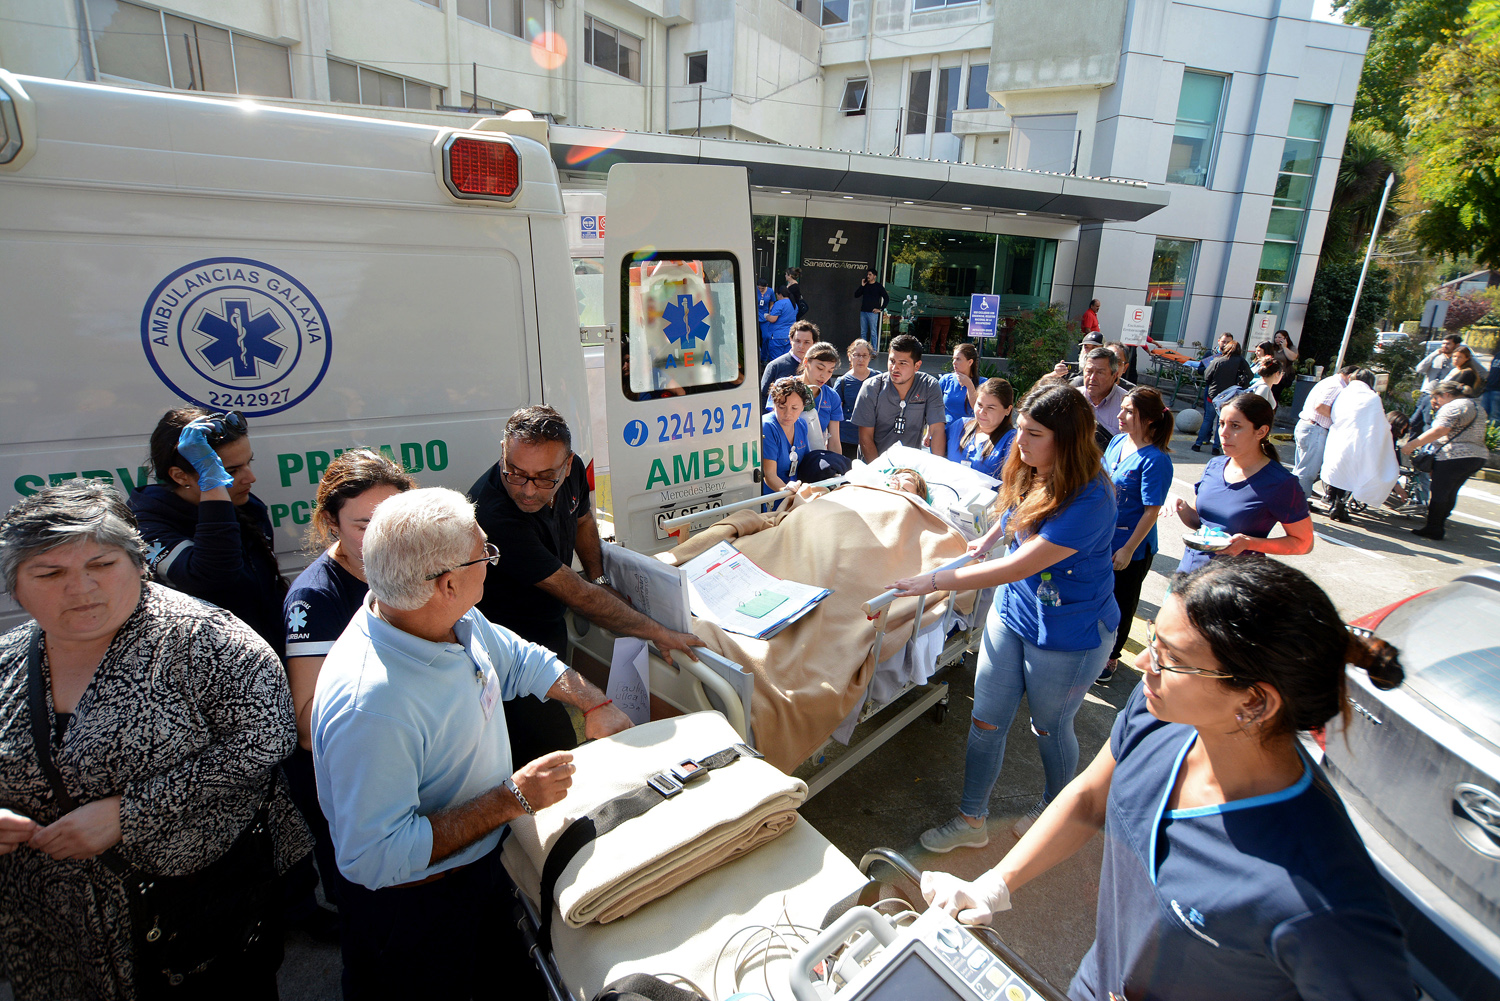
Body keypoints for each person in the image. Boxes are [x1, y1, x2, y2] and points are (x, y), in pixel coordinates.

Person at [919, 558, 1410, 1001]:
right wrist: (994, 884)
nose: (1141, 664)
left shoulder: (1324, 903)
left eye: (1170, 658)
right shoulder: (1159, 714)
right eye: (1154, 640)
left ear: (1254, 702)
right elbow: (1091, 797)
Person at [311, 487, 633, 1000]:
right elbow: (374, 856)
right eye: (486, 553)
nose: (492, 560)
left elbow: (521, 659)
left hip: (484, 866)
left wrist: (593, 702)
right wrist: (513, 798)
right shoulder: (371, 708)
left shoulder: (452, 618)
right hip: (417, 910)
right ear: (448, 583)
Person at [0, 480, 312, 999]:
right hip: (55, 933)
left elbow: (267, 736)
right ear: (16, 587)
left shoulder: (206, 640)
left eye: (101, 565)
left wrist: (128, 813)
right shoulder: (8, 661)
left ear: (138, 563)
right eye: (50, 573)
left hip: (192, 922)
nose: (80, 588)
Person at [892, 385, 1120, 850]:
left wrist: (933, 583)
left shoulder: (1092, 498)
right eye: (1020, 431)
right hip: (1014, 613)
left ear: (1069, 441)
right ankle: (971, 819)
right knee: (986, 720)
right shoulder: (1033, 467)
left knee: (1049, 727)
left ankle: (1056, 808)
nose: (1020, 443)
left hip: (1070, 633)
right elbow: (1014, 508)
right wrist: (986, 538)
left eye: (1034, 435)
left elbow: (1021, 564)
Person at [470, 407, 703, 761]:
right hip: (506, 640)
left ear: (567, 466)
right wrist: (657, 632)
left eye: (545, 477)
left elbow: (581, 522)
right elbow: (577, 595)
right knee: (541, 741)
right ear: (503, 451)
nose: (529, 491)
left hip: (549, 625)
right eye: (515, 473)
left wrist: (599, 576)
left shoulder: (574, 471)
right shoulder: (493, 514)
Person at [283, 449, 416, 917]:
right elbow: (306, 725)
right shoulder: (314, 598)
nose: (382, 537)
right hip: (356, 792)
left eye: (394, 520)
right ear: (330, 523)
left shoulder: (405, 570)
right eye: (364, 525)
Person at [129, 407, 287, 658]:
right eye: (231, 471)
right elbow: (215, 577)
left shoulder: (246, 505)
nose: (251, 477)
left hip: (267, 660)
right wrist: (213, 484)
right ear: (180, 476)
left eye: (249, 462)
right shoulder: (146, 524)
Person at [1173, 393, 1314, 573]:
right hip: (1188, 574)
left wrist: (1250, 543)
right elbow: (1200, 522)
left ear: (1261, 432)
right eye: (1222, 423)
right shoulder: (1214, 466)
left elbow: (1304, 543)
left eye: (1235, 426)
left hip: (1233, 587)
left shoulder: (1281, 483)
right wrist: (1180, 506)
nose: (1223, 433)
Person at [1099, 387, 1173, 684]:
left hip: (1131, 545)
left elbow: (1150, 512)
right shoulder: (1117, 441)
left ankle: (1111, 656)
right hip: (1102, 537)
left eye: (1130, 412)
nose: (1120, 415)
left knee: (1122, 600)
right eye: (1123, 408)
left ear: (1151, 421)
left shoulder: (1156, 460)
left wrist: (1129, 549)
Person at [1401, 379, 1488, 540]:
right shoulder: (1476, 406)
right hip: (1476, 456)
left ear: (1446, 394)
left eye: (1437, 398)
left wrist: (1412, 444)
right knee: (1451, 491)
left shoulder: (1453, 406)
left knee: (1439, 492)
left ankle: (1434, 528)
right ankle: (1439, 523)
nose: (1436, 402)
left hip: (1453, 456)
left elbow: (1440, 430)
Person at [851, 334, 947, 461]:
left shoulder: (929, 385)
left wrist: (936, 471)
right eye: (892, 361)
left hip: (910, 470)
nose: (895, 368)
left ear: (917, 366)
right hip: (874, 465)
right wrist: (880, 473)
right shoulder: (872, 387)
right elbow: (865, 437)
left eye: (903, 363)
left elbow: (937, 431)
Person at [1319, 371, 1395, 524]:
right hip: (1361, 442)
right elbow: (1378, 422)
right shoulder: (1373, 397)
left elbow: (1334, 413)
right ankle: (1340, 505)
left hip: (1339, 437)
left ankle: (1333, 501)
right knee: (1353, 474)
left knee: (1339, 471)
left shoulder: (1344, 393)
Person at [1291, 364, 1358, 498]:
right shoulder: (1337, 386)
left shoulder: (1329, 381)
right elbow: (1320, 407)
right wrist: (1339, 418)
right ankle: (1298, 503)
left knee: (1301, 468)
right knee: (1307, 471)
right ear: (1350, 376)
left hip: (1308, 427)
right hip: (1315, 429)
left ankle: (1294, 499)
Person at [780, 340, 845, 453]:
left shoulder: (832, 397)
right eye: (820, 368)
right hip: (784, 455)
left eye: (830, 371)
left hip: (815, 459)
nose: (824, 376)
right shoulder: (784, 386)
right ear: (806, 362)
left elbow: (834, 441)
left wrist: (837, 464)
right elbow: (773, 426)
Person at [1191, 334, 1251, 455]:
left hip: (1213, 394)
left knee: (1208, 419)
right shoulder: (1241, 361)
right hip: (1230, 395)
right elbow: (1249, 375)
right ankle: (1216, 447)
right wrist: (1241, 385)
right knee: (1223, 422)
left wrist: (1212, 384)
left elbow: (1207, 375)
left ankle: (1198, 444)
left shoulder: (1218, 360)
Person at [947, 377, 1016, 477]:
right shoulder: (960, 425)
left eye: (990, 408)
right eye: (979, 405)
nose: (982, 412)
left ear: (1008, 410)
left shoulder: (1012, 440)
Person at [763, 378, 813, 497]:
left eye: (794, 408)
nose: (788, 414)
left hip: (795, 494)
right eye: (781, 407)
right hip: (773, 498)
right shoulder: (767, 426)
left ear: (803, 407)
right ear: (773, 405)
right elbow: (769, 475)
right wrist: (786, 491)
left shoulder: (801, 424)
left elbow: (806, 463)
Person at [760, 319, 817, 408]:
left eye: (806, 342)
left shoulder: (819, 367)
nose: (801, 346)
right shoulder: (775, 366)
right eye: (797, 341)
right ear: (790, 340)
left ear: (814, 343)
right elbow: (762, 399)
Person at [1411, 333, 1460, 436]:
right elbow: (1419, 369)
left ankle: (1425, 446)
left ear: (1456, 345)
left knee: (1430, 423)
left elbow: (1481, 371)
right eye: (1443, 343)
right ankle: (1411, 444)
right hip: (1426, 394)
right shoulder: (1436, 356)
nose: (1444, 346)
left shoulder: (1458, 360)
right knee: (1415, 422)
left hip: (1443, 397)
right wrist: (1434, 354)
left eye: (1448, 344)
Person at [835, 339, 875, 460]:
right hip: (848, 438)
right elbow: (835, 413)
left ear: (869, 357)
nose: (861, 359)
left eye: (864, 355)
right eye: (857, 355)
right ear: (849, 356)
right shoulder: (842, 382)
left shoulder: (878, 378)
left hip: (873, 437)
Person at [1081, 346, 1127, 447]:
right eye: (1089, 371)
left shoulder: (1127, 405)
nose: (1092, 378)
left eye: (1100, 372)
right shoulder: (1073, 398)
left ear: (1114, 376)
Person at [940, 342, 981, 449]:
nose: (954, 362)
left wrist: (970, 386)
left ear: (970, 362)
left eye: (958, 359)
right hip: (944, 434)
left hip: (967, 436)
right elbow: (934, 408)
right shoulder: (946, 380)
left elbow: (977, 409)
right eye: (953, 359)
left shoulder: (982, 383)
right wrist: (929, 432)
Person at [760, 286, 796, 367]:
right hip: (789, 336)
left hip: (777, 337)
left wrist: (766, 316)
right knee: (787, 361)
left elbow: (773, 319)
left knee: (776, 362)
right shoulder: (794, 304)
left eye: (777, 295)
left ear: (780, 294)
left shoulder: (779, 303)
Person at [854, 267, 888, 342]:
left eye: (870, 274)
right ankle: (864, 350)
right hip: (863, 312)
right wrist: (862, 285)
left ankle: (874, 351)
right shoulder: (865, 286)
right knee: (863, 332)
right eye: (867, 275)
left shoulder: (878, 286)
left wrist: (881, 309)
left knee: (873, 333)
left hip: (873, 313)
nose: (868, 276)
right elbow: (856, 295)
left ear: (874, 276)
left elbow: (886, 298)